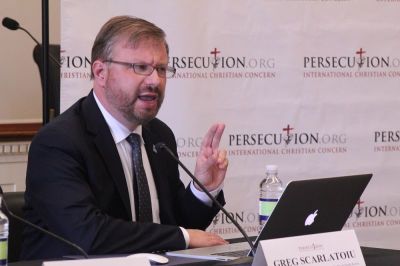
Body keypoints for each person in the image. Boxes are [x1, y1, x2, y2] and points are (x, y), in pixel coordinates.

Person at [21, 15, 229, 260]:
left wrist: (203, 189)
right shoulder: (59, 142)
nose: (155, 81)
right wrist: (183, 237)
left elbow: (173, 224)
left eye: (161, 69)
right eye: (140, 67)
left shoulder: (159, 135)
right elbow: (89, 234)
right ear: (100, 72)